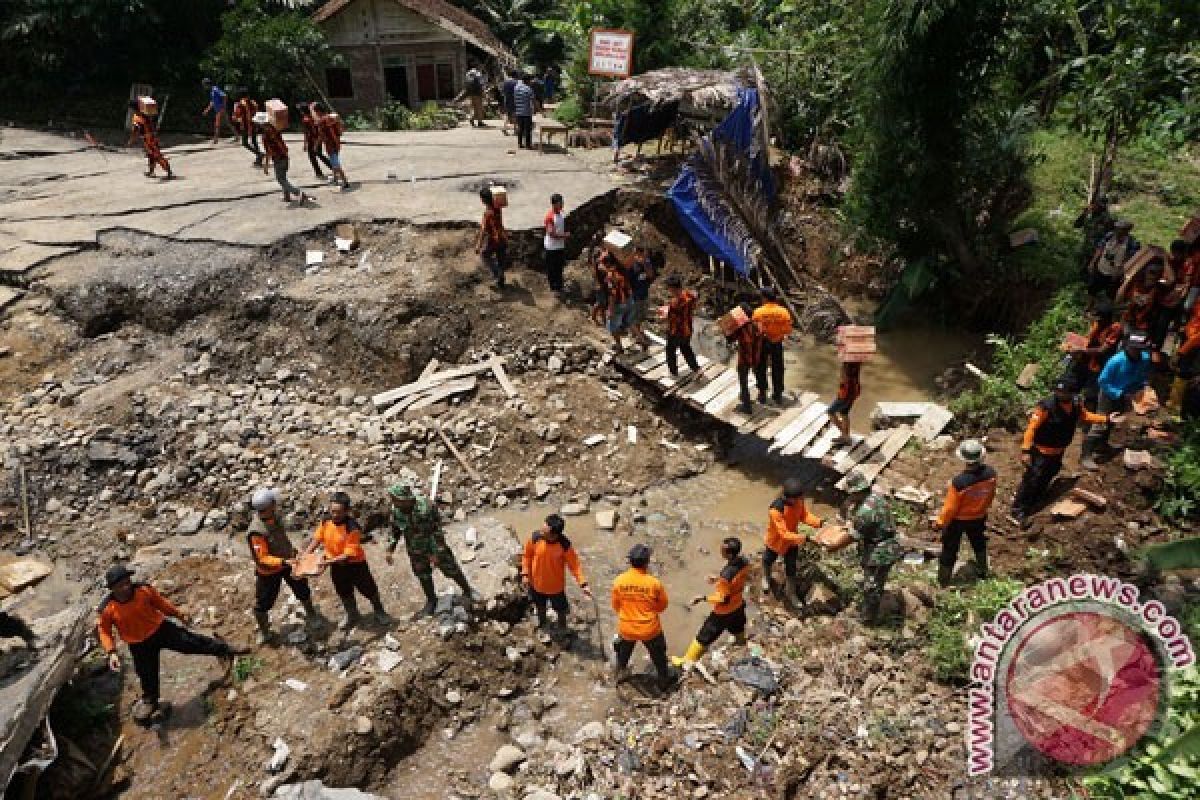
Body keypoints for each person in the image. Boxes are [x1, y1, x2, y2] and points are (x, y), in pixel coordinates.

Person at [98, 564, 244, 723]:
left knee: (192, 642)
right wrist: (111, 652)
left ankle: (225, 648)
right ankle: (150, 700)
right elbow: (104, 631)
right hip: (138, 645)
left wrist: (179, 614)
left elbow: (161, 604)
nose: (126, 587)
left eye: (127, 582)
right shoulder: (108, 608)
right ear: (112, 588)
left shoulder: (143, 590)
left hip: (161, 630)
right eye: (121, 585)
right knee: (146, 674)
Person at [1010, 379, 1110, 527]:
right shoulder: (1046, 407)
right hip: (1041, 452)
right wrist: (1025, 450)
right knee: (1032, 480)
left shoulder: (1076, 404)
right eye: (1058, 391)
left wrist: (1106, 418)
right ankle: (1019, 510)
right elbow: (1031, 428)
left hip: (1058, 451)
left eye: (1064, 392)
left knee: (1049, 475)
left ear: (1071, 392)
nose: (1060, 394)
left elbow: (1085, 416)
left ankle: (1037, 500)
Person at [386, 483, 481, 616]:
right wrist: (390, 549)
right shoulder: (396, 510)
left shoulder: (426, 507)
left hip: (435, 546)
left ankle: (468, 590)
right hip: (415, 550)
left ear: (405, 499)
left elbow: (436, 531)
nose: (393, 502)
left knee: (451, 568)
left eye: (395, 499)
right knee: (422, 574)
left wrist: (435, 553)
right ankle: (431, 601)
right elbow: (395, 529)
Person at [302, 491, 387, 630]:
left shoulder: (352, 528)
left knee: (368, 589)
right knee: (343, 590)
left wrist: (325, 563)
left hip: (355, 565)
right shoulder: (326, 520)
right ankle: (352, 615)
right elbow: (317, 538)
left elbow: (348, 555)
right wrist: (307, 553)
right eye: (332, 511)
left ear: (347, 511)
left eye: (339, 512)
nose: (335, 515)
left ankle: (379, 611)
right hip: (336, 565)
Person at [247, 488, 322, 643]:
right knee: (263, 602)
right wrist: (283, 561)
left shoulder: (275, 518)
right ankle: (264, 631)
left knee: (301, 587)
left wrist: (293, 552)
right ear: (270, 506)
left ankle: (311, 614)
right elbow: (262, 558)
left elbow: (282, 538)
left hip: (288, 561)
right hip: (269, 572)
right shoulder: (256, 532)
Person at [674, 537, 750, 667]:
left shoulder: (727, 574)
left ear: (729, 554)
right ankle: (741, 643)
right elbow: (736, 580)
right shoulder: (743, 561)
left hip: (723, 612)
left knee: (705, 635)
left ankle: (686, 661)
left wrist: (702, 598)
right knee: (738, 626)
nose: (720, 551)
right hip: (738, 604)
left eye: (722, 550)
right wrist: (718, 579)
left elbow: (723, 599)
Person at [932, 439, 997, 586]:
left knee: (950, 548)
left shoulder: (959, 482)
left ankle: (943, 581)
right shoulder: (991, 474)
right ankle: (983, 570)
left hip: (958, 521)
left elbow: (950, 509)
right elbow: (991, 495)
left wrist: (940, 523)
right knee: (979, 542)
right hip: (979, 517)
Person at [1083, 332, 1153, 466]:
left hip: (1128, 393)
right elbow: (1103, 381)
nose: (1136, 351)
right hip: (1110, 393)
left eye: (1139, 349)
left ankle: (1102, 446)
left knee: (1114, 420)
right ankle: (1086, 455)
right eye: (1134, 348)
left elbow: (1143, 375)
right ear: (1127, 347)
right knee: (1101, 422)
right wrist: (1119, 393)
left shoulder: (1144, 358)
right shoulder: (1116, 360)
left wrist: (1144, 387)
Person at [611, 544, 673, 690]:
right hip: (649, 629)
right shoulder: (654, 583)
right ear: (647, 562)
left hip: (626, 628)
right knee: (659, 657)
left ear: (630, 561)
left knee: (623, 654)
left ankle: (620, 675)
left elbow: (615, 606)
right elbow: (662, 606)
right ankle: (664, 681)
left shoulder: (619, 581)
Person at [843, 472, 902, 624]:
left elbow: (853, 536)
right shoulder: (876, 498)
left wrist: (831, 546)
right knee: (876, 579)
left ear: (856, 492)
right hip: (886, 544)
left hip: (880, 552)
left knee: (872, 586)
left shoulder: (865, 512)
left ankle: (868, 619)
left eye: (850, 494)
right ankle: (872, 606)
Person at [521, 514, 590, 636]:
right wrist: (525, 573)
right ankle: (542, 623)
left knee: (561, 610)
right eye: (542, 528)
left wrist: (583, 584)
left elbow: (575, 566)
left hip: (555, 588)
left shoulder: (564, 545)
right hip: (536, 585)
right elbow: (527, 556)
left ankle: (562, 627)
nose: (541, 532)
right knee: (540, 606)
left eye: (545, 531)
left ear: (555, 534)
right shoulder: (535, 538)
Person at [762, 478, 823, 603]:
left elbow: (804, 515)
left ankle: (791, 592)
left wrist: (819, 523)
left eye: (800, 498)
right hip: (776, 540)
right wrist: (805, 538)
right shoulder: (776, 510)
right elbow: (783, 533)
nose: (798, 501)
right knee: (768, 560)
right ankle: (766, 578)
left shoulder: (798, 501)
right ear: (787, 496)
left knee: (791, 566)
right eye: (795, 499)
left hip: (792, 540)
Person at [1066, 300, 1123, 409]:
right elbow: (1088, 339)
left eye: (1099, 318)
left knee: (1091, 393)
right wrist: (1074, 345)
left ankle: (1088, 415)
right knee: (1071, 383)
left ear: (1106, 318)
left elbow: (1102, 350)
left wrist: (1081, 350)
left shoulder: (1115, 328)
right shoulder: (1097, 324)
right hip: (1085, 359)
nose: (1097, 320)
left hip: (1099, 364)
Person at [259, 112, 313, 205]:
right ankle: (287, 196)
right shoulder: (275, 130)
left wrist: (265, 166)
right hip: (284, 157)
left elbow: (268, 152)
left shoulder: (266, 136)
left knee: (281, 180)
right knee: (283, 178)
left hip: (278, 158)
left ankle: (299, 193)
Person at [752, 286, 793, 405]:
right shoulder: (783, 312)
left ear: (764, 298)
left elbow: (755, 330)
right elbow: (788, 330)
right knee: (778, 368)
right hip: (777, 343)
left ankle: (762, 393)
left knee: (760, 368)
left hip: (763, 343)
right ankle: (778, 394)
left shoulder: (758, 312)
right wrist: (776, 334)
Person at [1088, 219, 1139, 298]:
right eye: (1117, 229)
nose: (1117, 232)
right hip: (1101, 268)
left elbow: (1130, 260)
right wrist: (1093, 262)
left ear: (1126, 231)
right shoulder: (1109, 236)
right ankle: (1089, 306)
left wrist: (1121, 273)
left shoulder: (1132, 244)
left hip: (1114, 274)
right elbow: (1100, 248)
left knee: (1110, 294)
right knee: (1093, 289)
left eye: (1120, 230)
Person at [728, 302, 762, 414]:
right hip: (757, 356)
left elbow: (730, 339)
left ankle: (746, 406)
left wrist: (727, 328)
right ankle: (762, 395)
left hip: (745, 358)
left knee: (743, 381)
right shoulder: (757, 324)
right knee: (759, 376)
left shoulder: (741, 328)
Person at [664, 274, 700, 377]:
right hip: (687, 328)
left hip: (676, 331)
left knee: (670, 351)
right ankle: (696, 369)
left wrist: (665, 314)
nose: (668, 290)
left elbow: (671, 318)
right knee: (686, 349)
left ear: (673, 288)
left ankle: (673, 372)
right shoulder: (689, 295)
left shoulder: (675, 303)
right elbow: (695, 296)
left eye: (669, 288)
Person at [126, 101, 172, 179]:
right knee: (151, 155)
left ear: (132, 108)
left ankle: (168, 171)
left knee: (156, 155)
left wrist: (131, 140)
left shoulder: (137, 117)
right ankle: (151, 171)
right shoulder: (145, 114)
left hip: (148, 139)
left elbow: (135, 130)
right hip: (152, 136)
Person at [476, 187, 508, 289]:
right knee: (500, 259)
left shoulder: (487, 213)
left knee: (484, 255)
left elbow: (483, 230)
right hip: (503, 237)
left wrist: (478, 245)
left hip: (495, 239)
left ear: (482, 200)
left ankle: (497, 273)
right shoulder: (498, 208)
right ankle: (501, 282)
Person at [313, 102, 349, 189]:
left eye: (315, 112)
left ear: (318, 111)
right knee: (333, 162)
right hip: (336, 143)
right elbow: (340, 130)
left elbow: (321, 135)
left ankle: (345, 182)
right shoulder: (331, 117)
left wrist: (316, 145)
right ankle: (335, 179)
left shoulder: (321, 121)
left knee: (336, 164)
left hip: (330, 145)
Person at [628, 248, 660, 348]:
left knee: (641, 316)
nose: (640, 257)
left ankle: (636, 334)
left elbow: (650, 275)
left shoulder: (646, 263)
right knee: (634, 317)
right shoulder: (632, 265)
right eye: (638, 255)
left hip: (644, 293)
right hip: (635, 295)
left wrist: (645, 263)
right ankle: (637, 336)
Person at [605, 250, 634, 353]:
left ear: (608, 264)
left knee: (612, 327)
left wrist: (610, 310)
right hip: (629, 299)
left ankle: (619, 346)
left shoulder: (611, 276)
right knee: (628, 321)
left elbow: (612, 293)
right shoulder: (622, 268)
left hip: (618, 303)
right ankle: (636, 337)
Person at [827, 361, 862, 444]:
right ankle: (845, 436)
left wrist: (842, 370)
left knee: (830, 412)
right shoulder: (857, 362)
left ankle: (845, 436)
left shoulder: (847, 364)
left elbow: (844, 378)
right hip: (854, 391)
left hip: (846, 393)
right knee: (844, 413)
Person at [297, 102, 333, 180]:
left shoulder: (306, 120)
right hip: (318, 139)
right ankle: (333, 168)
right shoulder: (314, 117)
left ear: (302, 111)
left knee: (312, 157)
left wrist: (305, 144)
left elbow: (306, 133)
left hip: (312, 141)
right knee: (319, 154)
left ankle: (319, 173)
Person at [543, 193, 568, 293]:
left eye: (562, 202)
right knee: (552, 269)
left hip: (560, 246)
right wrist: (564, 236)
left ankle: (559, 286)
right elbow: (551, 233)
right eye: (560, 203)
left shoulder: (561, 214)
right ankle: (554, 287)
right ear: (554, 204)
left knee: (559, 267)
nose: (562, 204)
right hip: (552, 248)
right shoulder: (550, 217)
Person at [232, 89, 263, 166]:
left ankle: (259, 154)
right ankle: (259, 158)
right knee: (254, 142)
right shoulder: (253, 102)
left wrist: (235, 117)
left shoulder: (240, 104)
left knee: (245, 143)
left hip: (246, 125)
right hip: (254, 125)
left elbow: (237, 116)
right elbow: (257, 112)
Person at [200, 79, 234, 144]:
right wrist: (207, 110)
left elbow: (224, 96)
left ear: (207, 84)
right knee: (228, 123)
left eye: (204, 85)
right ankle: (237, 136)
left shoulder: (215, 89)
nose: (204, 86)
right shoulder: (212, 91)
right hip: (219, 109)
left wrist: (223, 107)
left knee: (217, 124)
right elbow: (212, 102)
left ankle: (215, 140)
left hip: (220, 110)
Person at [590, 244, 612, 326]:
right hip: (600, 285)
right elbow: (603, 272)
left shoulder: (597, 264)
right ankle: (593, 317)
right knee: (600, 303)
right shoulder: (599, 265)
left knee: (603, 303)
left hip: (602, 285)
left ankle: (603, 319)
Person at [513, 73, 536, 150]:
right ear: (528, 80)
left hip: (518, 111)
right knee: (527, 129)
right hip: (526, 112)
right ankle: (528, 145)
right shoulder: (528, 89)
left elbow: (515, 98)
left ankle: (520, 144)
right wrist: (537, 110)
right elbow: (533, 100)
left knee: (520, 128)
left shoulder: (516, 88)